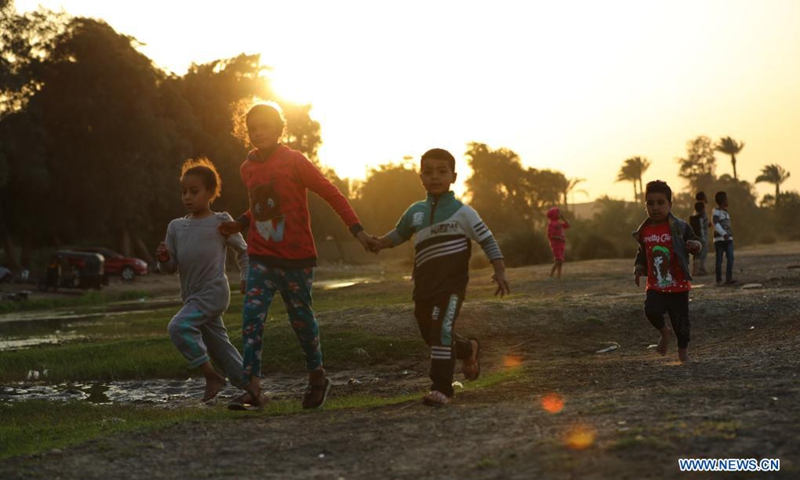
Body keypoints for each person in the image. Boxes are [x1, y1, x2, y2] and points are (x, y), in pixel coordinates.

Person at [219, 102, 379, 411]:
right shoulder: (247, 168)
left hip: (297, 260)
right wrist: (240, 222)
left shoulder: (294, 161)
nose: (258, 132)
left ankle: (317, 377)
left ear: (280, 128)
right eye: (252, 128)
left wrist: (357, 231)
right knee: (251, 321)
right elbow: (263, 206)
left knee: (302, 322)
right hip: (261, 259)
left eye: (265, 125)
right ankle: (253, 389)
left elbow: (331, 192)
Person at [373, 148, 510, 406]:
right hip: (424, 288)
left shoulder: (464, 213)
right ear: (421, 177)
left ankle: (442, 388)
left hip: (451, 287)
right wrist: (379, 242)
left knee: (441, 330)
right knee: (431, 335)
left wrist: (499, 270)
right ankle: (469, 349)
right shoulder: (415, 212)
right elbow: (398, 234)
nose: (435, 177)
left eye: (442, 171)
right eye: (428, 172)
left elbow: (487, 239)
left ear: (453, 177)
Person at [156, 158, 249, 402]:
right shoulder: (176, 227)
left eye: (194, 191)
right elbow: (170, 268)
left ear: (211, 192)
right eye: (184, 191)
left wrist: (246, 276)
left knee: (178, 327)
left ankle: (211, 376)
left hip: (214, 292)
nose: (188, 197)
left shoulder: (220, 222)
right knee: (221, 348)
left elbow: (245, 250)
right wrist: (164, 259)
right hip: (191, 296)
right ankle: (254, 391)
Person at [633, 180, 702, 363]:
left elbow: (696, 241)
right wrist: (639, 268)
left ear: (670, 204)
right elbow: (642, 252)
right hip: (655, 285)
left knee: (681, 323)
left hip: (678, 285)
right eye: (650, 203)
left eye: (661, 202)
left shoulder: (679, 227)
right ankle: (664, 332)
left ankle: (682, 353)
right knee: (651, 311)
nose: (655, 207)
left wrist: (694, 246)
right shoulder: (645, 231)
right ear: (645, 205)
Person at [712, 191, 736, 285]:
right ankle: (719, 280)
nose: (727, 201)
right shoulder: (716, 212)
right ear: (723, 200)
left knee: (730, 258)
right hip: (720, 239)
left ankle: (728, 279)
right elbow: (716, 223)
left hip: (728, 238)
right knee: (719, 260)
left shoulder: (726, 212)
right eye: (726, 199)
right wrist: (723, 233)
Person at [546, 206, 570, 279]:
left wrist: (563, 218)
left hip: (561, 244)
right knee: (558, 260)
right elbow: (550, 235)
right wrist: (559, 238)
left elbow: (568, 225)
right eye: (558, 213)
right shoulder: (552, 224)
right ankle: (551, 275)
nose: (560, 214)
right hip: (555, 245)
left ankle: (559, 276)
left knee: (560, 261)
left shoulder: (559, 223)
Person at [688, 201, 708, 276]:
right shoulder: (700, 218)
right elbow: (701, 229)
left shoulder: (692, 218)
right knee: (700, 255)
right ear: (702, 209)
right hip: (700, 238)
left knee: (696, 255)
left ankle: (694, 271)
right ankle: (697, 271)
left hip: (694, 238)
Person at [693, 192, 709, 275]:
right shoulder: (700, 207)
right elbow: (701, 222)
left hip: (700, 233)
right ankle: (699, 269)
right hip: (701, 234)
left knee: (700, 252)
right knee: (701, 252)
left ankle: (700, 269)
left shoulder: (698, 207)